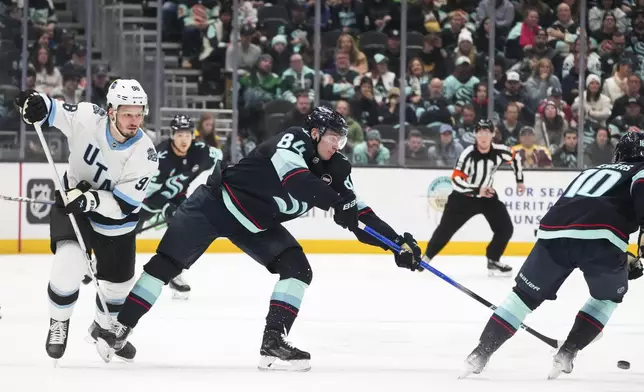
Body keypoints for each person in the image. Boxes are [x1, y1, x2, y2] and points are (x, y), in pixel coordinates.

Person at [94, 106, 423, 371]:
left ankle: (273, 342)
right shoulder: (293, 141)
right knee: (165, 265)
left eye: (341, 139)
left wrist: (395, 244)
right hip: (215, 203)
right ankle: (118, 330)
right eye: (333, 137)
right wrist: (339, 204)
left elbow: (360, 214)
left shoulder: (336, 168)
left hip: (254, 223)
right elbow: (297, 182)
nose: (337, 145)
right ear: (315, 132)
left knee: (298, 268)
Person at [461, 131, 644, 379]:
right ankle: (567, 353)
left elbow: (583, 206)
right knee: (607, 298)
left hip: (552, 233)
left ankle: (479, 354)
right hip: (601, 239)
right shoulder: (640, 170)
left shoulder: (593, 170)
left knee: (522, 298)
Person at [15, 79, 158, 362]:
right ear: (111, 111)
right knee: (68, 262)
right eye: (128, 113)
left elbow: (122, 206)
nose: (134, 120)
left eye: (139, 113)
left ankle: (102, 328)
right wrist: (36, 104)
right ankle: (59, 321)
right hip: (74, 206)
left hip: (116, 223)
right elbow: (51, 110)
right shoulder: (86, 117)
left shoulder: (146, 154)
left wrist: (89, 198)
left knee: (118, 287)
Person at [422, 118, 525, 276]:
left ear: (493, 134)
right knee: (445, 229)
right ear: (475, 135)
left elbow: (515, 158)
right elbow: (456, 181)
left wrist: (519, 181)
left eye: (487, 132)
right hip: (463, 198)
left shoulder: (499, 151)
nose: (483, 136)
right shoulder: (467, 154)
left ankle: (493, 260)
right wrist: (478, 190)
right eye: (480, 132)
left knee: (505, 228)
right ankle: (426, 258)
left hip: (487, 197)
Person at [138, 114, 223, 299]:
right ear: (172, 135)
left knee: (182, 232)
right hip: (149, 198)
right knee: (128, 230)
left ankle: (174, 273)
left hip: (177, 196)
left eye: (187, 135)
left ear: (193, 135)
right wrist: (165, 208)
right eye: (179, 135)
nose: (184, 139)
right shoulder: (160, 159)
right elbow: (147, 192)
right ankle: (100, 261)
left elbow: (219, 158)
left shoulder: (200, 151)